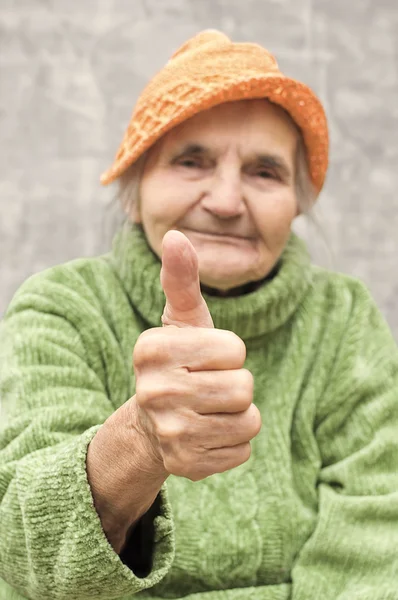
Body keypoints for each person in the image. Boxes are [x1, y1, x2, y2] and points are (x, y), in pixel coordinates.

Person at [1, 29, 398, 600]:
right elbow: (28, 561)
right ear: (134, 195)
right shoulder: (63, 307)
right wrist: (139, 440)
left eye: (265, 172)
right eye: (191, 161)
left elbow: (376, 552)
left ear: (297, 205)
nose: (227, 201)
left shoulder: (344, 319)